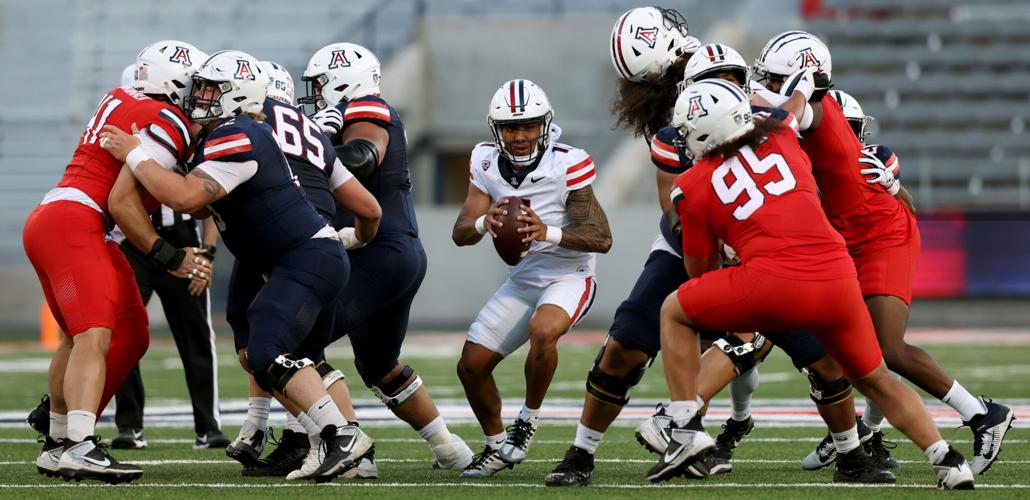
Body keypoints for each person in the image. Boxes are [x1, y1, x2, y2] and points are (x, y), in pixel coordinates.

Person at [647, 79, 974, 490]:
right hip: (837, 276)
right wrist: (806, 81)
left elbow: (700, 272)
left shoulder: (690, 186)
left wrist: (731, 262)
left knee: (674, 310)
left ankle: (684, 427)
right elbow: (796, 103)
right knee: (875, 377)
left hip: (771, 282)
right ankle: (946, 458)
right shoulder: (782, 132)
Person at [99, 49, 372, 483]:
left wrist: (136, 154)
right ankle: (318, 440)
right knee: (263, 354)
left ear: (238, 95)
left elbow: (187, 199)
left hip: (305, 257)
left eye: (211, 88)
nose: (200, 95)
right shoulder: (227, 135)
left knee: (267, 348)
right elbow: (205, 204)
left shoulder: (238, 133)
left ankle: (340, 434)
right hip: (293, 259)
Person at [629, 43, 895, 484]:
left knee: (821, 359)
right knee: (730, 340)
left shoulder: (765, 128)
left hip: (777, 264)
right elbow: (680, 215)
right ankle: (687, 427)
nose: (729, 87)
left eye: (734, 78)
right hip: (764, 267)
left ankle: (847, 452)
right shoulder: (722, 137)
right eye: (716, 81)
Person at [753, 31, 1014, 476]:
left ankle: (982, 415)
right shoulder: (821, 106)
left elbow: (783, 118)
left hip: (880, 237)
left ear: (802, 78)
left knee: (888, 350)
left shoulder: (811, 109)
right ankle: (863, 436)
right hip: (855, 237)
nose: (768, 84)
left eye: (776, 78)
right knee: (850, 347)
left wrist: (762, 92)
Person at [24, 39, 211, 484]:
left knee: (128, 330)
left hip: (64, 220)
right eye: (198, 85)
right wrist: (170, 256)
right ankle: (78, 444)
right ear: (175, 81)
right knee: (93, 333)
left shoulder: (121, 96)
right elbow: (123, 203)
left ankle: (58, 437)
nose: (203, 95)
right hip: (77, 221)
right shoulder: (169, 118)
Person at [305, 42, 474, 473]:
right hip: (392, 254)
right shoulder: (348, 113)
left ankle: (350, 449)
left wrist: (320, 144)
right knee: (379, 365)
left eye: (321, 84)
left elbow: (363, 157)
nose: (315, 92)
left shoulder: (366, 108)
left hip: (375, 252)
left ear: (343, 82)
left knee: (295, 343)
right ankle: (449, 448)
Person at [225, 60, 382, 481]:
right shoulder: (310, 126)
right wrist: (348, 239)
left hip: (279, 243)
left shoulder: (244, 126)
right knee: (300, 356)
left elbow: (199, 193)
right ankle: (320, 443)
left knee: (263, 347)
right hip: (324, 242)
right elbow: (368, 208)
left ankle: (330, 438)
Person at [451, 79, 612, 478]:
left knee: (544, 330)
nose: (520, 136)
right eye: (510, 128)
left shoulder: (567, 161)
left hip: (569, 273)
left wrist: (548, 232)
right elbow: (460, 233)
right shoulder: (485, 161)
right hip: (523, 277)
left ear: (544, 125)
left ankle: (527, 420)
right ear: (496, 129)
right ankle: (495, 447)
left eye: (528, 126)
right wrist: (482, 223)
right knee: (470, 366)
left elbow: (602, 238)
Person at [105, 62, 228, 452]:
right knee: (124, 331)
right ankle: (129, 424)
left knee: (196, 337)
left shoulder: (187, 134)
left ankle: (208, 426)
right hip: (134, 242)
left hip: (182, 239)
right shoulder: (130, 136)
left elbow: (212, 201)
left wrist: (206, 254)